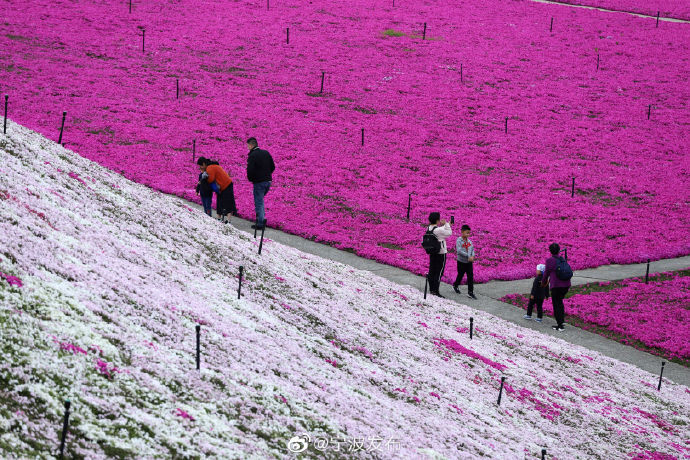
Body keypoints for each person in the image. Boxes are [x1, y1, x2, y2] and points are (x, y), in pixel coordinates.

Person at [246, 137, 275, 230]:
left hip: (259, 182)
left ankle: (260, 223)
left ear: (251, 145)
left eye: (248, 145)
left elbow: (250, 170)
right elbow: (273, 166)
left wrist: (251, 179)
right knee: (260, 201)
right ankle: (261, 220)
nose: (247, 147)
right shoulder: (266, 153)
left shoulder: (253, 155)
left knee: (259, 202)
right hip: (268, 181)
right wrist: (267, 175)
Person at [197, 157, 236, 223]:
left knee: (227, 202)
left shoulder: (210, 167)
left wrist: (204, 177)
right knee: (220, 201)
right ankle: (219, 218)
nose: (200, 168)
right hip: (222, 186)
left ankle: (228, 220)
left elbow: (211, 179)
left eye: (201, 166)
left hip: (226, 185)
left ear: (204, 164)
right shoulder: (211, 166)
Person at [542, 243, 571, 331]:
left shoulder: (550, 260)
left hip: (556, 286)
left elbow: (546, 273)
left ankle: (560, 326)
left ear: (550, 251)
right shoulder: (562, 259)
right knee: (560, 302)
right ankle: (561, 321)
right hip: (566, 285)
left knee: (556, 304)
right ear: (559, 250)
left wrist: (543, 283)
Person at [426, 212, 452, 298]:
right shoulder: (438, 230)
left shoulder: (429, 228)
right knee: (439, 272)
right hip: (440, 253)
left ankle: (432, 289)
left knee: (432, 271)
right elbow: (449, 233)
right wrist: (447, 224)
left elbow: (439, 230)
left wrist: (446, 225)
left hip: (432, 253)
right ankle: (436, 291)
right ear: (437, 220)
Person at [453, 224, 477, 299]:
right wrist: (468, 256)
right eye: (467, 233)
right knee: (460, 274)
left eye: (469, 233)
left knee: (470, 276)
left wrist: (472, 256)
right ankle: (456, 285)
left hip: (469, 262)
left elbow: (472, 249)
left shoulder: (469, 241)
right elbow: (459, 251)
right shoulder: (459, 240)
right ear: (462, 232)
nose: (468, 234)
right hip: (461, 262)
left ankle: (470, 292)